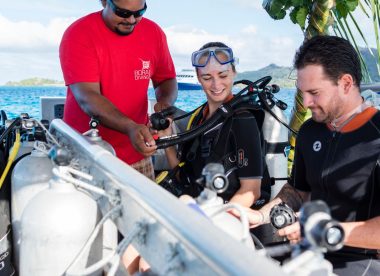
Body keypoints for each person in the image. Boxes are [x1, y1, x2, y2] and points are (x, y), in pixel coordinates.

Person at [239, 35, 380, 275]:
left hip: (357, 260)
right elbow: (297, 191)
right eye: (302, 92)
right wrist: (259, 216)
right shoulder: (309, 131)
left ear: (346, 83)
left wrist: (322, 230)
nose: (305, 102)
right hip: (306, 250)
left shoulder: (375, 135)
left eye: (314, 92)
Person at [59, 0, 178, 180]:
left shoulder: (153, 33)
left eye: (139, 13)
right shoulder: (79, 34)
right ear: (104, 2)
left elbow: (166, 79)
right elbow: (87, 97)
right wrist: (130, 127)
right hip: (84, 157)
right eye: (122, 13)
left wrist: (165, 103)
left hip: (137, 155)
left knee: (140, 209)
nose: (131, 20)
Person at [158, 42, 265, 208]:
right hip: (195, 208)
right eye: (207, 78)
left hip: (226, 218)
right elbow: (184, 176)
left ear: (234, 73)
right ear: (198, 77)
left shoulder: (243, 120)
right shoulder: (199, 118)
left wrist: (210, 222)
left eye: (223, 76)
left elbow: (251, 191)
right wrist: (166, 138)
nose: (216, 85)